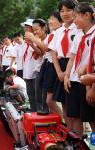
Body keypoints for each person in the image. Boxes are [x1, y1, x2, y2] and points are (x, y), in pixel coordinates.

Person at [64, 2, 95, 136]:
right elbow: (72, 58)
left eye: (76, 16)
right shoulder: (78, 36)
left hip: (89, 81)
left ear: (86, 15)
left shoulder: (93, 36)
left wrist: (92, 87)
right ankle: (78, 143)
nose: (74, 20)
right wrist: (66, 76)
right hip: (75, 79)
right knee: (76, 115)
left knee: (91, 118)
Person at [25, 11, 63, 117]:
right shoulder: (52, 35)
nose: (50, 21)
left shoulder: (52, 35)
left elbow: (44, 50)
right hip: (46, 66)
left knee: (49, 100)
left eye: (53, 19)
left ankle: (60, 122)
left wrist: (34, 41)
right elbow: (38, 54)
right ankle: (58, 121)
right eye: (49, 19)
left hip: (51, 66)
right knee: (44, 98)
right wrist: (33, 43)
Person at [48, 0, 79, 130]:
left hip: (75, 66)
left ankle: (78, 137)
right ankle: (69, 132)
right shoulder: (58, 32)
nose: (65, 14)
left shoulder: (79, 28)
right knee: (64, 104)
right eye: (62, 11)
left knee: (75, 106)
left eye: (68, 10)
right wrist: (59, 72)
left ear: (75, 11)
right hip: (61, 65)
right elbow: (54, 54)